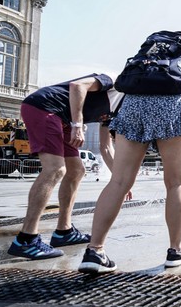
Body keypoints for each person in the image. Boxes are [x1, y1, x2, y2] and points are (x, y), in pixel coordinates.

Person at [78, 35, 181, 274]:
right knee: (176, 183)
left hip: (131, 112)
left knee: (118, 182)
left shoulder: (163, 53)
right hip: (172, 118)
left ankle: (94, 251)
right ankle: (176, 249)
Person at [7, 74, 124, 260]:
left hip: (64, 118)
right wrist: (78, 125)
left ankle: (64, 231)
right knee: (55, 169)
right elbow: (77, 86)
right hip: (44, 107)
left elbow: (106, 146)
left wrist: (122, 181)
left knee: (77, 170)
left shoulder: (119, 109)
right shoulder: (111, 81)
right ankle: (26, 239)